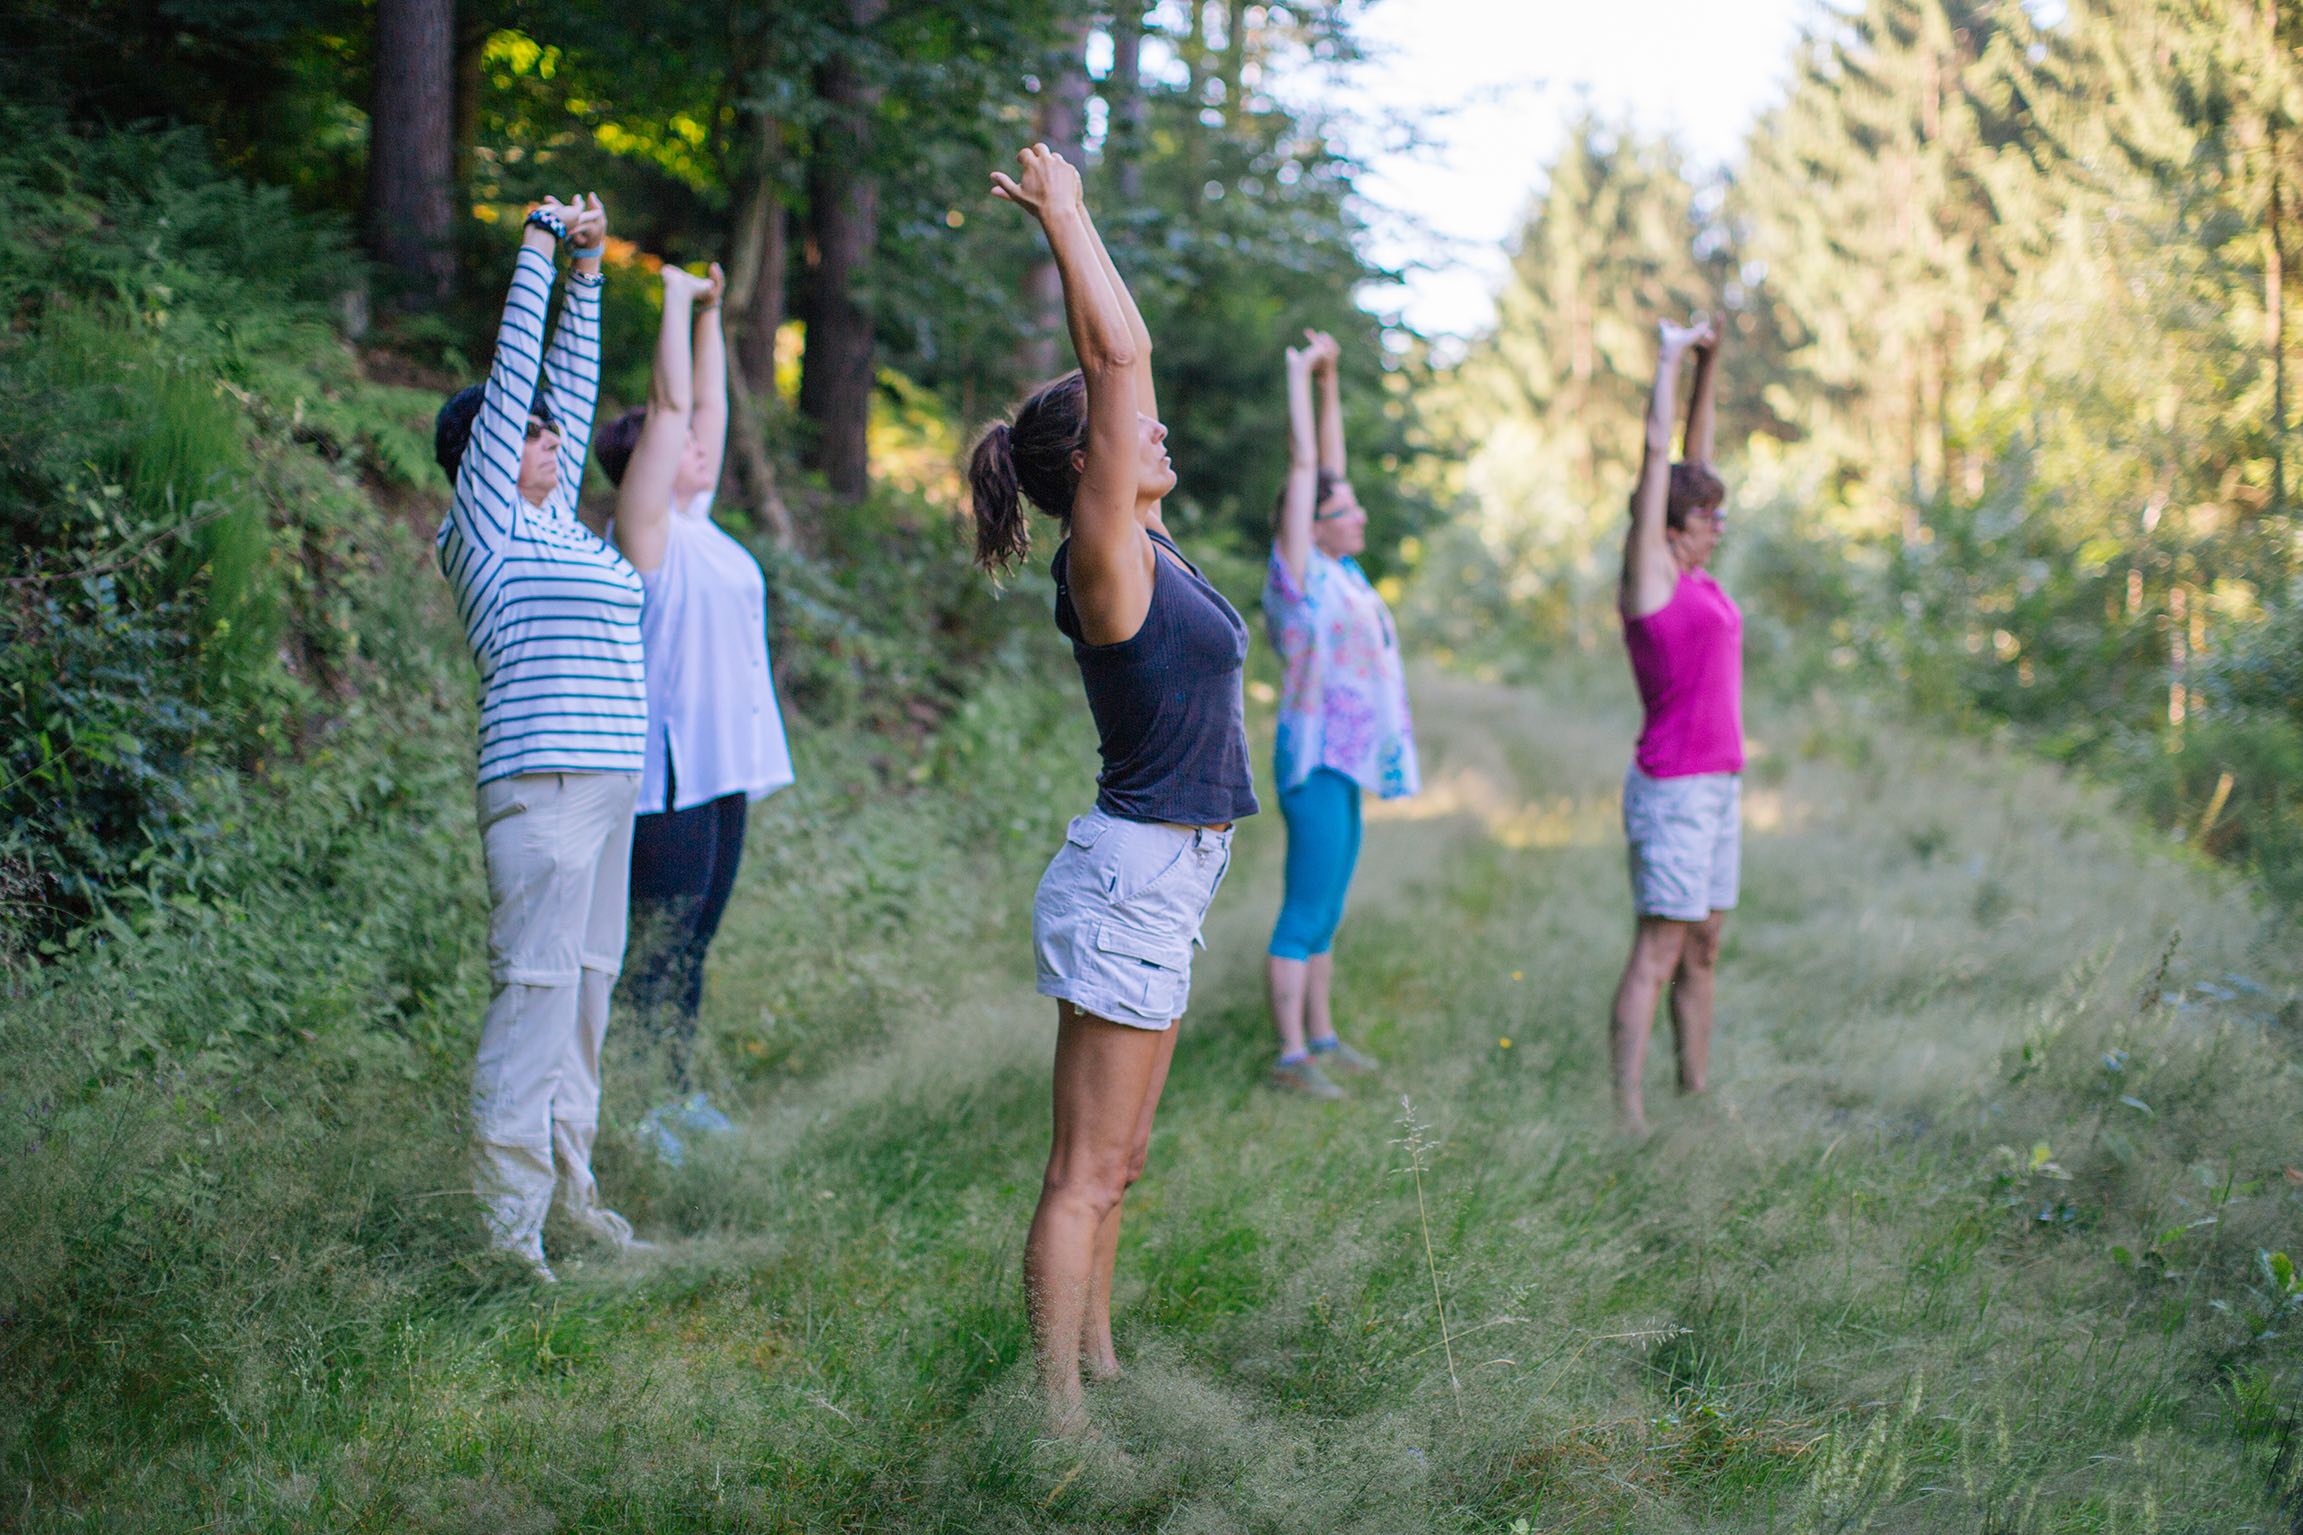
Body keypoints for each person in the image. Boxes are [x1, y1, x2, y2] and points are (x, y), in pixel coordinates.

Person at [968, 144, 1257, 1436]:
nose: (1157, 424)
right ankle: (1057, 1416)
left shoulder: (1149, 541)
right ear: (1088, 464)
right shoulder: (1103, 558)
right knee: (1082, 1169)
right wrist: (1065, 217)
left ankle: (1101, 1360)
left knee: (1123, 1158)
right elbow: (1116, 355)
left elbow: (1127, 368)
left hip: (1168, 875)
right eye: (1131, 423)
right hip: (1130, 874)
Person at [432, 194, 650, 1279]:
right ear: (480, 454)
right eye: (524, 429)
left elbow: (566, 380)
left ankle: (572, 1196)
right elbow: (519, 372)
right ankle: (504, 1235)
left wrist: (589, 270)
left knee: (585, 994)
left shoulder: (555, 521)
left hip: (607, 790)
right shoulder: (483, 526)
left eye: (548, 430)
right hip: (544, 787)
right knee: (533, 1000)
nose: (549, 433)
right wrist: (535, 242)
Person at [595, 259, 795, 1152]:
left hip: (722, 772)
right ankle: (638, 1111)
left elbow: (703, 407)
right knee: (659, 948)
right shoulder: (645, 534)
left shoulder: (698, 524)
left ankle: (673, 1096)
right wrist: (674, 300)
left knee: (694, 942)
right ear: (645, 464)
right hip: (663, 782)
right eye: (675, 444)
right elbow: (675, 405)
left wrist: (713, 314)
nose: (697, 444)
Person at [1260, 329, 1419, 1099]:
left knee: (1327, 908)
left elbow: (1327, 465)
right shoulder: (1297, 575)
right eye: (1343, 508)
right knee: (1303, 909)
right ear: (1310, 523)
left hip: (1345, 760)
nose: (1357, 514)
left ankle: (1320, 1036)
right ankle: (1289, 1057)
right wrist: (1297, 374)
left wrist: (1330, 381)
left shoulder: (1341, 569)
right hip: (1312, 759)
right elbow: (1306, 469)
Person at [1610, 314, 1737, 1137]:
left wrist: (1707, 366)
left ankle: (1694, 1089)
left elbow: (1693, 459)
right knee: (1658, 948)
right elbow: (1660, 456)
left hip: (1719, 783)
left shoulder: (1696, 574)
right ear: (1668, 529)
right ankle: (1626, 1111)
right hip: (1674, 788)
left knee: (1704, 944)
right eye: (1707, 519)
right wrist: (1664, 357)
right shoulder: (1649, 577)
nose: (1719, 526)